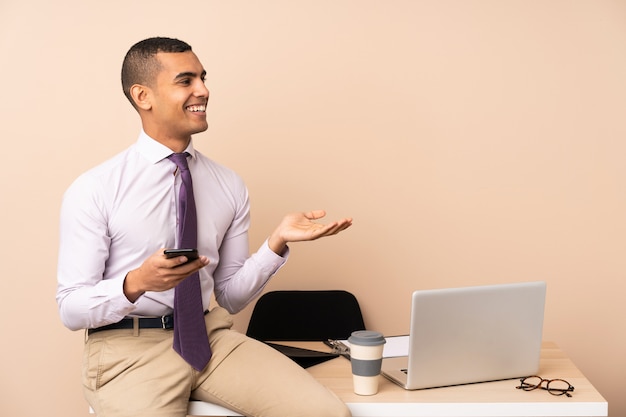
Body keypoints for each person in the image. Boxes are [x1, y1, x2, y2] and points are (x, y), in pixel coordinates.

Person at [56, 37, 353, 417]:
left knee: (327, 413)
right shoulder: (95, 189)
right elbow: (71, 308)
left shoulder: (228, 184)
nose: (203, 90)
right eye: (186, 80)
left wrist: (275, 243)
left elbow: (228, 296)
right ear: (143, 96)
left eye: (203, 78)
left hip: (211, 339)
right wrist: (138, 282)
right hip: (129, 349)